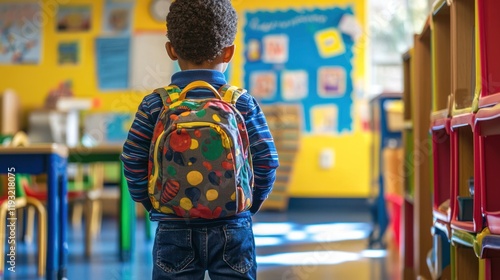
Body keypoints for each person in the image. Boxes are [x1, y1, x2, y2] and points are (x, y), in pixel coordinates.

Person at [120, 0, 279, 279]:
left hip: (173, 224)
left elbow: (132, 161)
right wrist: (247, 205)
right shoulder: (242, 103)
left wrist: (154, 204)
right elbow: (267, 161)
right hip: (233, 224)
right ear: (229, 52)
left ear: (171, 50)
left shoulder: (155, 104)